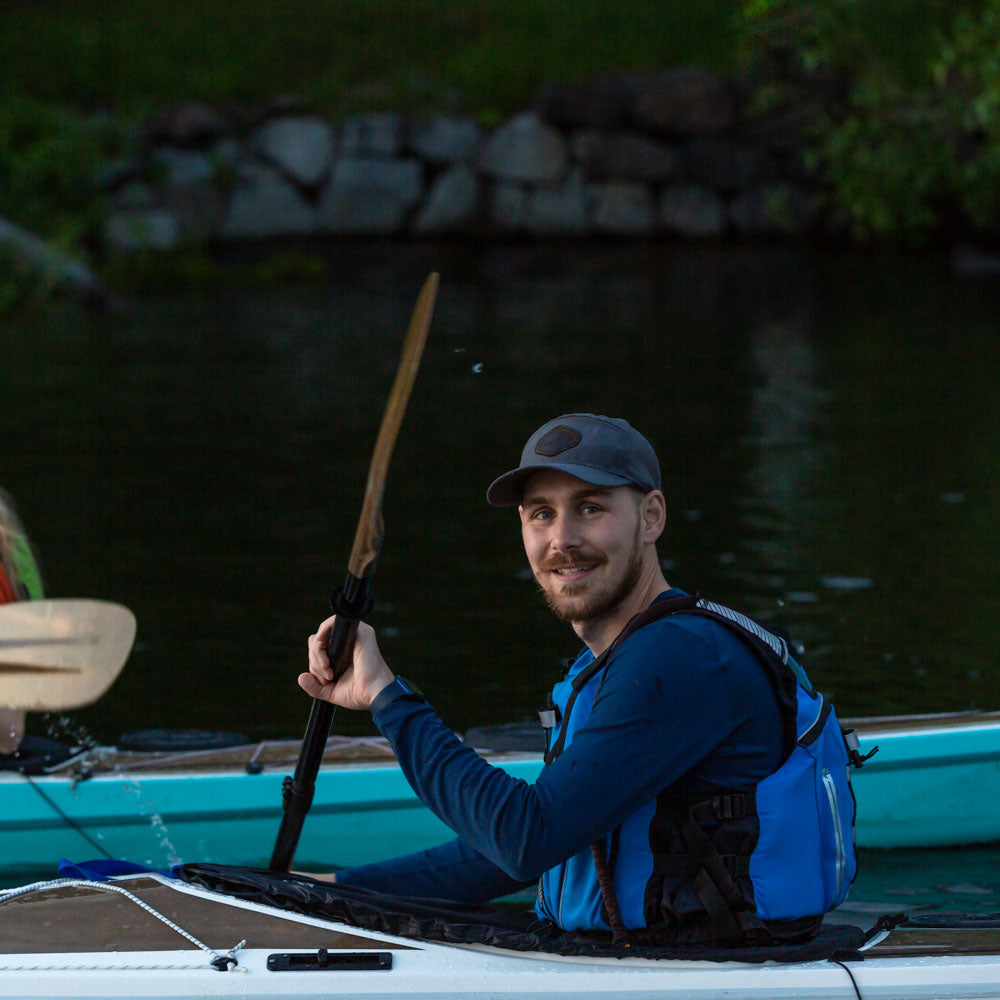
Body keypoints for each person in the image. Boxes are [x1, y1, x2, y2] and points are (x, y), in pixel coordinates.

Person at [301, 413, 856, 947]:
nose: (562, 539)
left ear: (652, 517)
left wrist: (387, 699)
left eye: (590, 509)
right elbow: (517, 852)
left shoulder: (680, 656)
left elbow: (524, 839)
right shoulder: (622, 656)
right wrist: (331, 895)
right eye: (540, 513)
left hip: (709, 971)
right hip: (651, 956)